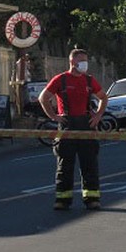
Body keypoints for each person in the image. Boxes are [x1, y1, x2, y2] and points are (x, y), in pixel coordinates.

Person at [38, 48, 109, 211]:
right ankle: (62, 200)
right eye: (81, 60)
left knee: (90, 164)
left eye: (86, 61)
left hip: (86, 125)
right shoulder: (60, 80)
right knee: (64, 166)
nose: (84, 64)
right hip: (67, 125)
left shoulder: (89, 80)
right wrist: (54, 116)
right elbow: (43, 98)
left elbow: (103, 97)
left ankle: (92, 199)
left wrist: (98, 116)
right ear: (72, 62)